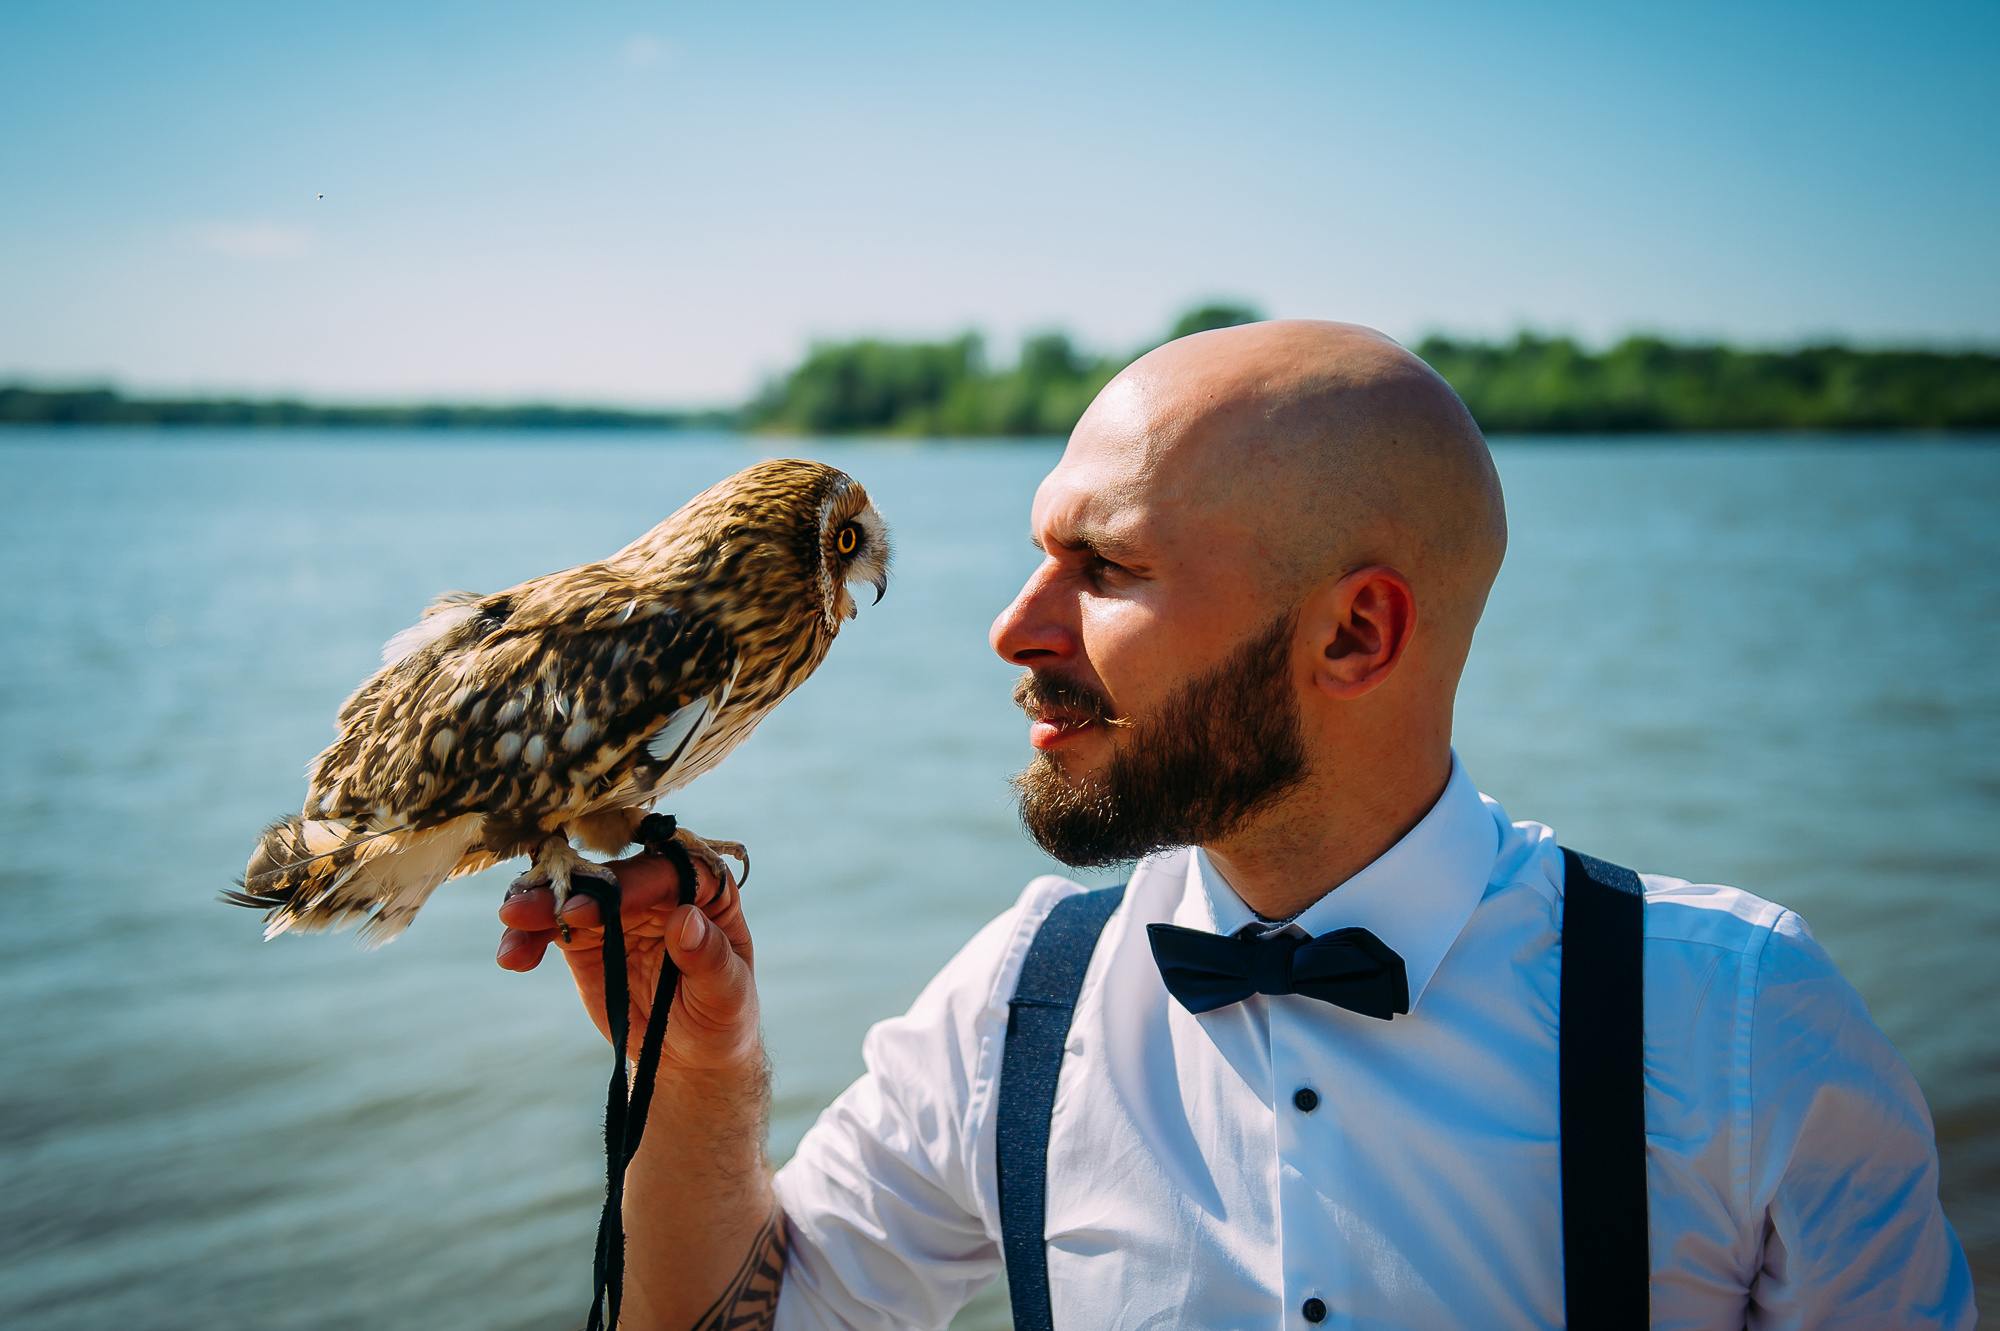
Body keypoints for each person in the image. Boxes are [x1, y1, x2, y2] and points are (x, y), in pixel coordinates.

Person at [496, 321, 1975, 1330]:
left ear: (1354, 634)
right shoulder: (1017, 1006)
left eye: (1105, 566)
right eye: (1037, 558)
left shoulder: (1737, 1023)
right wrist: (698, 1067)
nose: (1017, 630)